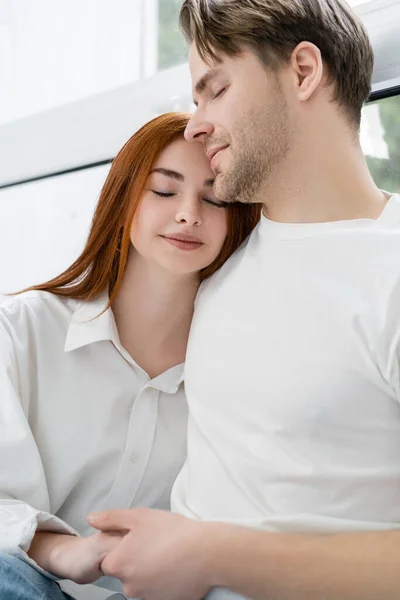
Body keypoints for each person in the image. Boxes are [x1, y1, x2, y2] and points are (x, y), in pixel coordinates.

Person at [84, 1, 400, 599]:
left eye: (215, 90)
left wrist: (209, 555)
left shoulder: (389, 271)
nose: (196, 124)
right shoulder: (218, 258)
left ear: (303, 71)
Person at [0, 111, 261, 600]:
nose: (189, 213)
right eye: (164, 191)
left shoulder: (239, 370)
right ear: (124, 201)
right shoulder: (20, 330)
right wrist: (63, 550)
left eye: (215, 198)